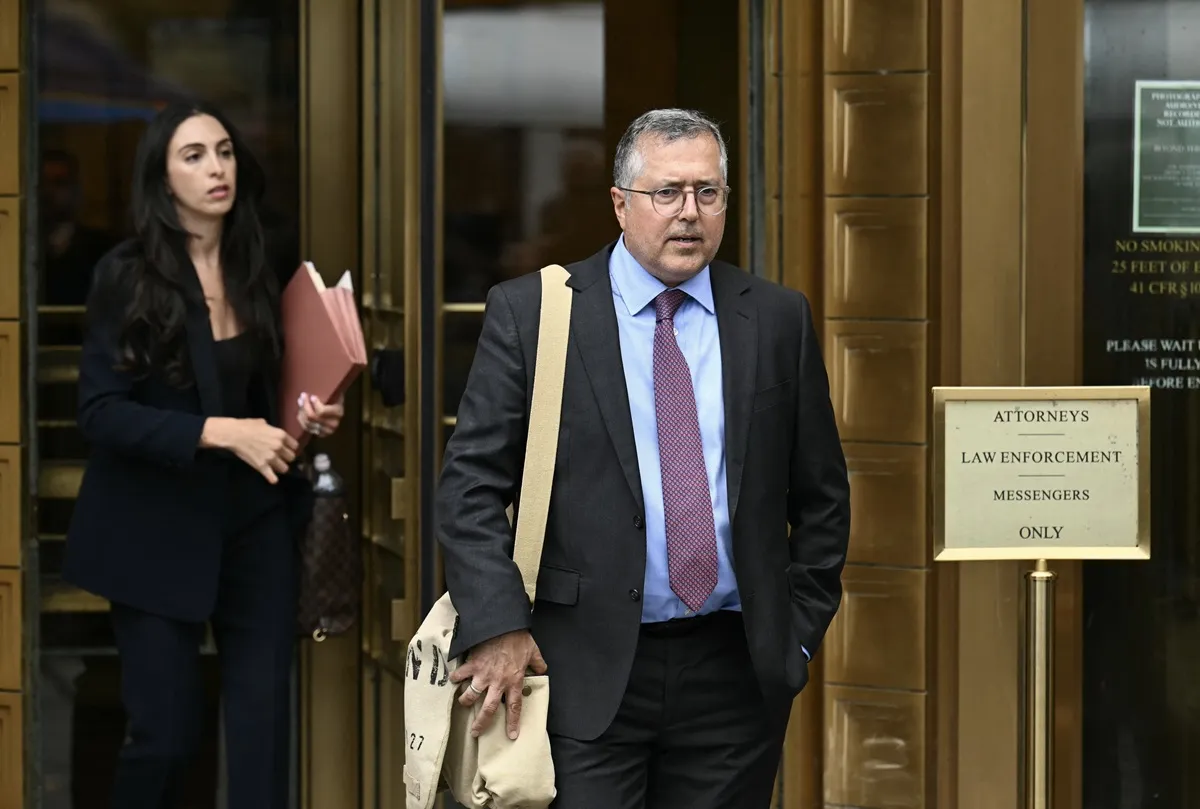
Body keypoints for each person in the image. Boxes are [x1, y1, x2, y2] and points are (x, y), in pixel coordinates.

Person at [436, 108, 851, 808]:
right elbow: (469, 486)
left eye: (708, 192)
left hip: (734, 671)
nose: (690, 213)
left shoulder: (777, 318)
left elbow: (822, 497)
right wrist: (499, 625)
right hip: (580, 663)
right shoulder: (536, 314)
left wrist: (796, 640)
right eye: (668, 192)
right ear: (621, 204)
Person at [61, 100, 344, 809]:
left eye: (223, 151)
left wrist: (309, 411)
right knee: (163, 734)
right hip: (152, 527)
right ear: (160, 178)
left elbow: (267, 391)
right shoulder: (125, 274)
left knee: (261, 730)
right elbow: (99, 412)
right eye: (193, 156)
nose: (216, 168)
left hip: (252, 521)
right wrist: (221, 432)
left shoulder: (258, 260)